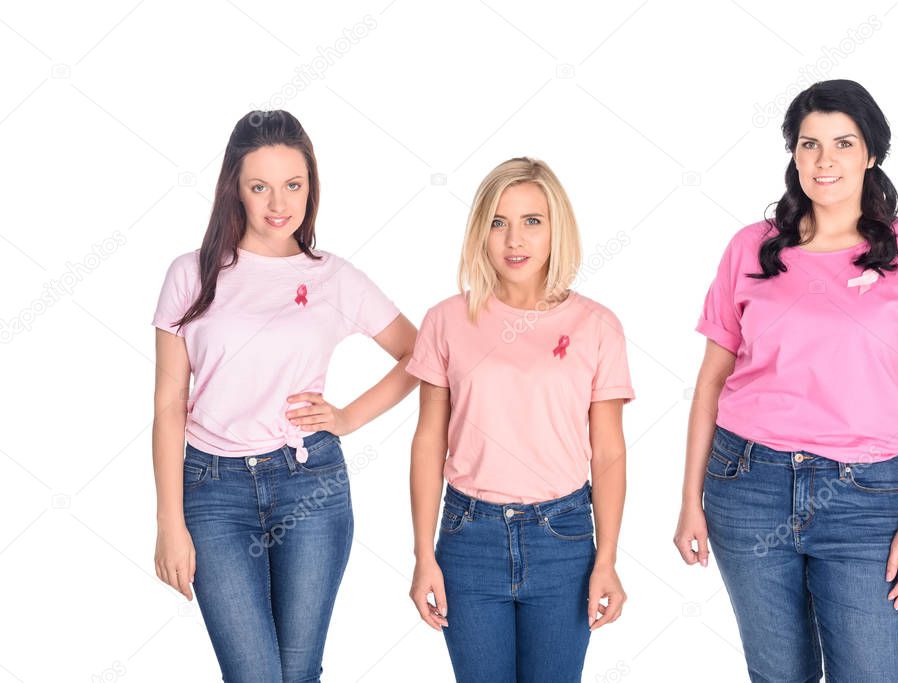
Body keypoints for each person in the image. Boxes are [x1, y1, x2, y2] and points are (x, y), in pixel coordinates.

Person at [673, 80, 898, 682]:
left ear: (871, 155)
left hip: (868, 499)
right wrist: (688, 502)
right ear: (793, 154)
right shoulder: (750, 249)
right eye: (809, 145)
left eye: (842, 143)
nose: (824, 161)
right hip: (747, 484)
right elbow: (709, 383)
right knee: (779, 676)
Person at [150, 110, 418, 682]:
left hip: (309, 484)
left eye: (293, 184)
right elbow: (169, 406)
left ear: (310, 187)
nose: (279, 202)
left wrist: (347, 417)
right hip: (212, 492)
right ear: (235, 190)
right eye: (260, 186)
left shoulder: (333, 277)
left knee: (298, 675)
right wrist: (169, 523)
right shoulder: (190, 275)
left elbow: (420, 354)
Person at [406, 157, 635, 682]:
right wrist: (424, 556)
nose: (515, 239)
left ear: (557, 229)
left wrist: (607, 559)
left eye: (532, 221)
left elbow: (609, 452)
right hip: (468, 538)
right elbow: (427, 443)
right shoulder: (445, 321)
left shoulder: (597, 326)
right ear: (480, 232)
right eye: (498, 222)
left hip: (564, 538)